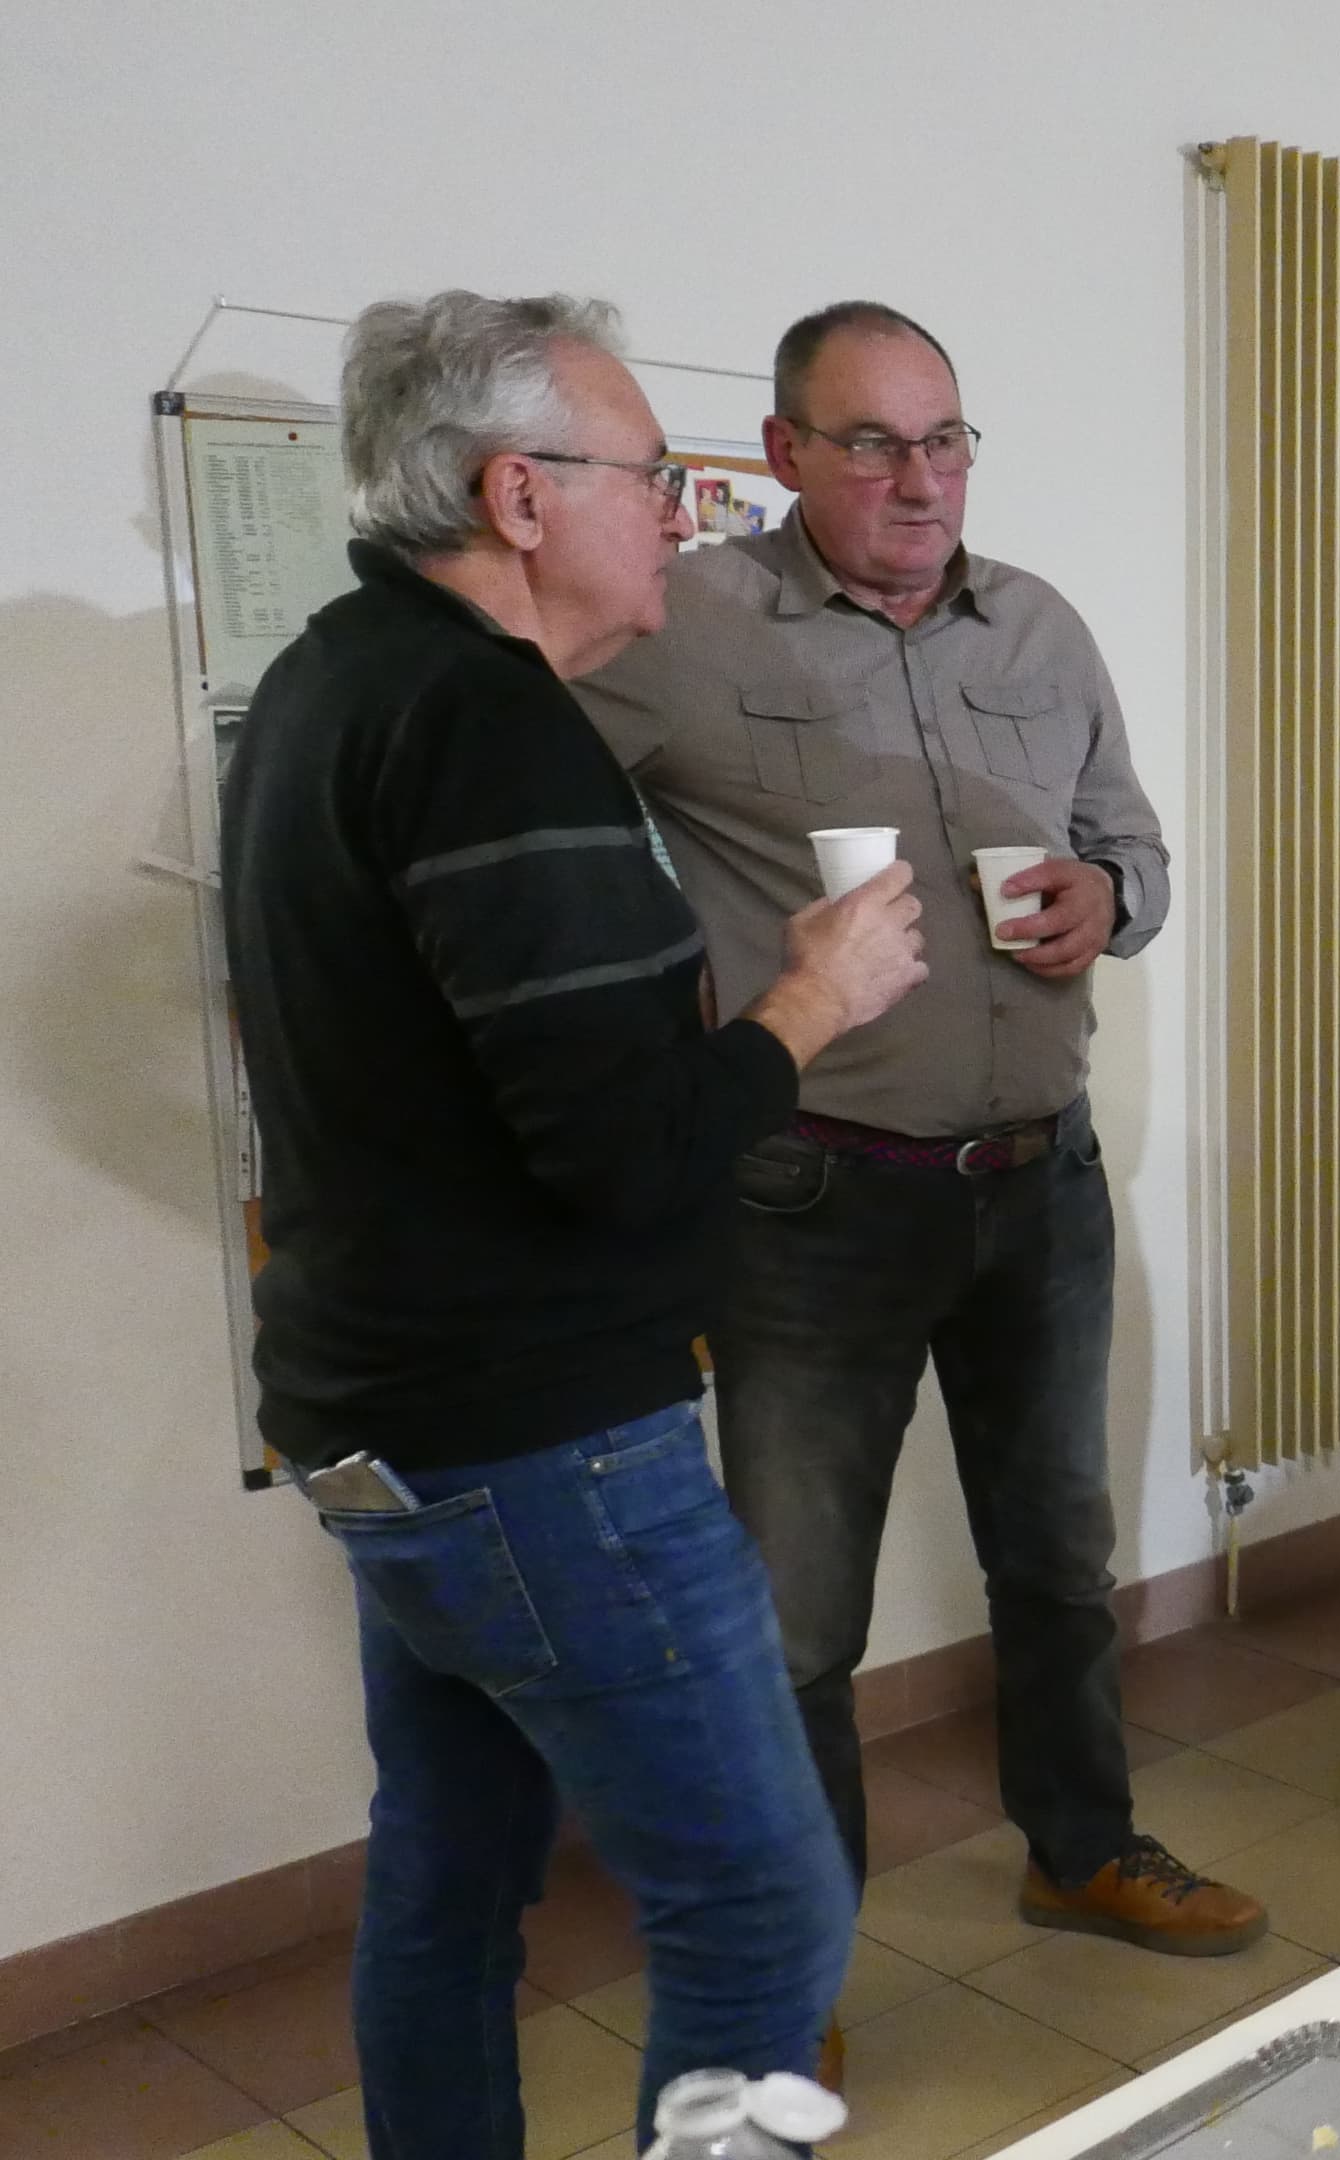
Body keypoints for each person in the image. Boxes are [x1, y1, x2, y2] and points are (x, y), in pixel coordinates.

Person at [222, 291, 924, 2154]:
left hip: (385, 1424)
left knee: (450, 1881)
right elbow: (628, 1152)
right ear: (518, 497)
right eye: (654, 476)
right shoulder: (487, 722)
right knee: (763, 1909)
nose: (684, 516)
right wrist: (815, 1000)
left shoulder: (329, 681)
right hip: (539, 1445)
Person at [575, 302, 1266, 1975]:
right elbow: (543, 827)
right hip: (812, 1197)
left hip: (1041, 1183)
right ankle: (794, 1954)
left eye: (944, 441)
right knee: (799, 1612)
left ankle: (1081, 1852)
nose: (918, 479)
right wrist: (661, 1005)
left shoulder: (1040, 627)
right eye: (873, 443)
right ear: (786, 454)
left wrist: (1109, 896)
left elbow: (1135, 852)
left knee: (1059, 1557)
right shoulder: (687, 625)